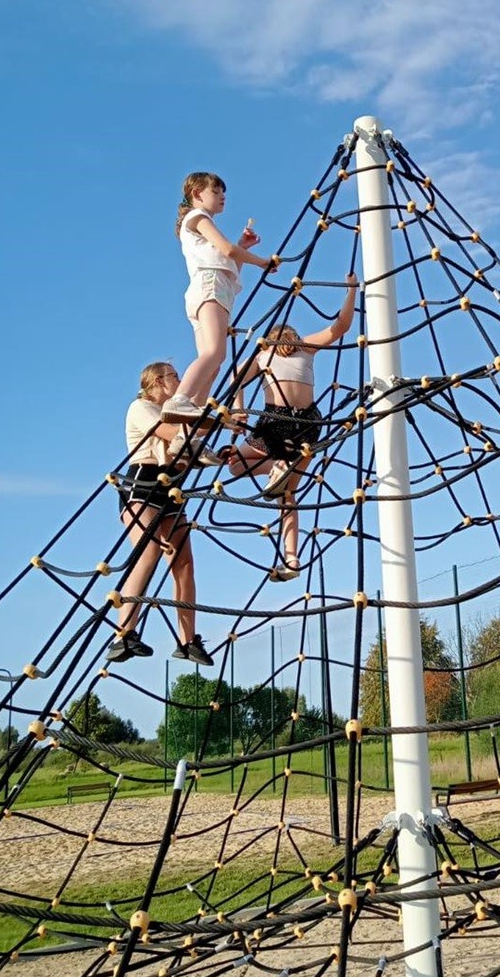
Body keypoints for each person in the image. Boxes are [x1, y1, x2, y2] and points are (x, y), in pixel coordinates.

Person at [227, 274, 360, 579]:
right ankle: (292, 559)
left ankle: (276, 467)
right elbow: (340, 327)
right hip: (309, 424)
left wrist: (239, 410)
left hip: (277, 422)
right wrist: (352, 291)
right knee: (287, 493)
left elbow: (235, 378)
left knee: (235, 465)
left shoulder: (265, 354)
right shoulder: (305, 347)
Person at [108, 362, 219, 665]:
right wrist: (216, 424)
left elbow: (188, 441)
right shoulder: (141, 407)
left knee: (184, 563)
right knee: (148, 552)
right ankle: (123, 634)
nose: (180, 380)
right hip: (143, 485)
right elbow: (171, 434)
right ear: (158, 380)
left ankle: (187, 641)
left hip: (172, 488)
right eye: (174, 376)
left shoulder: (174, 411)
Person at [161, 172, 279, 425]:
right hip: (209, 287)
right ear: (197, 194)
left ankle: (188, 427)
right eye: (215, 192)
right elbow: (226, 250)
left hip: (210, 289)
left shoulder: (198, 229)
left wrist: (243, 247)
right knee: (215, 353)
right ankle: (180, 400)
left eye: (223, 193)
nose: (222, 197)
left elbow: (227, 265)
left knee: (213, 363)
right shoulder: (198, 217)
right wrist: (262, 262)